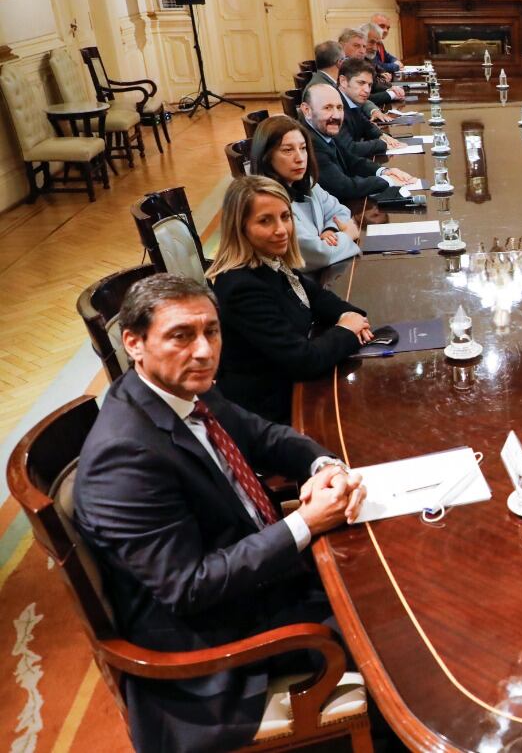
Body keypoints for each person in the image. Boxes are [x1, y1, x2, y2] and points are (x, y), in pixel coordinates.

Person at [74, 272, 366, 753]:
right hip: (217, 649)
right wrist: (305, 523)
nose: (205, 350)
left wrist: (325, 465)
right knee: (400, 639)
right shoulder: (123, 458)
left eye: (211, 331)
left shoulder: (185, 389)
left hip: (261, 581)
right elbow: (189, 586)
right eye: (181, 335)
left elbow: (264, 435)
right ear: (134, 343)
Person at [208, 176, 372, 423]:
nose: (281, 229)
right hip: (269, 414)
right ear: (240, 227)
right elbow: (303, 360)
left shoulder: (269, 261)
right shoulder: (241, 286)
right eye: (265, 221)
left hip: (292, 388)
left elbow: (315, 296)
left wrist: (348, 314)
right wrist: (346, 331)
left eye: (285, 217)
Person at [251, 114, 360, 273]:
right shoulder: (269, 202)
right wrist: (347, 236)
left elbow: (339, 211)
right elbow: (318, 255)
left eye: (303, 148)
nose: (300, 158)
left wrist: (330, 231)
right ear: (266, 157)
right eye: (288, 150)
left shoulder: (306, 182)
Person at [299, 83, 415, 202]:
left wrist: (384, 171)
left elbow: (351, 161)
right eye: (327, 108)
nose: (337, 115)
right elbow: (344, 187)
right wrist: (388, 180)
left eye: (339, 107)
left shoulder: (322, 129)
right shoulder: (306, 143)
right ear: (307, 110)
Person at [336, 57, 404, 157]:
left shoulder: (350, 100)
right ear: (343, 81)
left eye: (369, 85)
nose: (367, 90)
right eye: (361, 83)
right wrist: (382, 144)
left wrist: (382, 136)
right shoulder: (335, 106)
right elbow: (349, 149)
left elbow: (366, 126)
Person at [308, 38, 388, 122]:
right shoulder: (321, 89)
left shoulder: (330, 80)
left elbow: (355, 99)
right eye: (345, 59)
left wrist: (373, 111)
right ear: (340, 62)